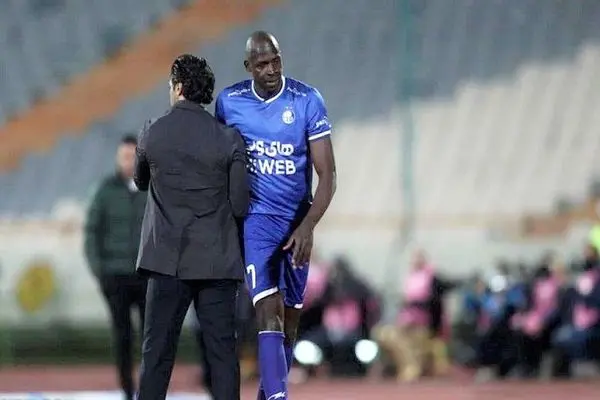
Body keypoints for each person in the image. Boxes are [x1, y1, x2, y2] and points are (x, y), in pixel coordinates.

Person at [215, 31, 337, 400]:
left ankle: (269, 394)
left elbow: (328, 175)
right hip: (256, 222)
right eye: (262, 64)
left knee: (289, 324)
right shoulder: (229, 103)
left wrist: (308, 226)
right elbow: (219, 164)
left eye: (276, 61)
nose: (271, 69)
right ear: (248, 67)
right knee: (268, 312)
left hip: (297, 223)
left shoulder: (307, 100)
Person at [134, 54, 249, 400]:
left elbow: (140, 181)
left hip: (166, 261)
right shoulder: (229, 138)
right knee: (222, 355)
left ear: (178, 87)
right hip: (217, 261)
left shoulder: (152, 131)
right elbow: (240, 204)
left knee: (156, 355)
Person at [83, 134, 148, 400]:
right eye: (124, 156)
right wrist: (100, 271)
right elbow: (92, 232)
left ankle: (149, 387)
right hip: (115, 276)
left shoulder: (151, 188)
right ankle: (126, 389)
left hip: (146, 275)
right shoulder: (106, 191)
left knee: (151, 336)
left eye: (132, 156)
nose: (128, 161)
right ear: (117, 159)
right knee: (123, 336)